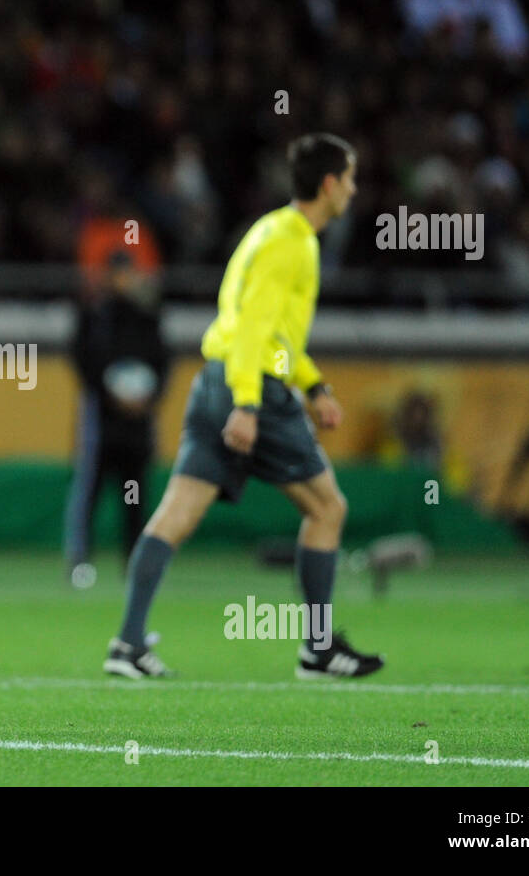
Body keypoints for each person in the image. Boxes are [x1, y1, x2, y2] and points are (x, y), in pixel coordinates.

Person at [104, 134, 384, 680]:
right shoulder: (294, 242)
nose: (353, 188)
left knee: (176, 515)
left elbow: (266, 331)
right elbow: (257, 328)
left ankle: (128, 643)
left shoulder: (268, 230)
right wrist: (250, 405)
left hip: (218, 379)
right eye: (349, 178)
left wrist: (314, 384)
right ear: (329, 185)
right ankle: (319, 649)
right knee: (328, 509)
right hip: (250, 387)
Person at [64, 250, 168, 588]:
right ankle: (80, 563)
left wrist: (146, 399)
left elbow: (162, 362)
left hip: (136, 429)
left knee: (134, 496)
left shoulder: (147, 318)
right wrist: (110, 393)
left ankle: (133, 563)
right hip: (101, 425)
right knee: (89, 494)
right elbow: (81, 357)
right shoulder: (95, 317)